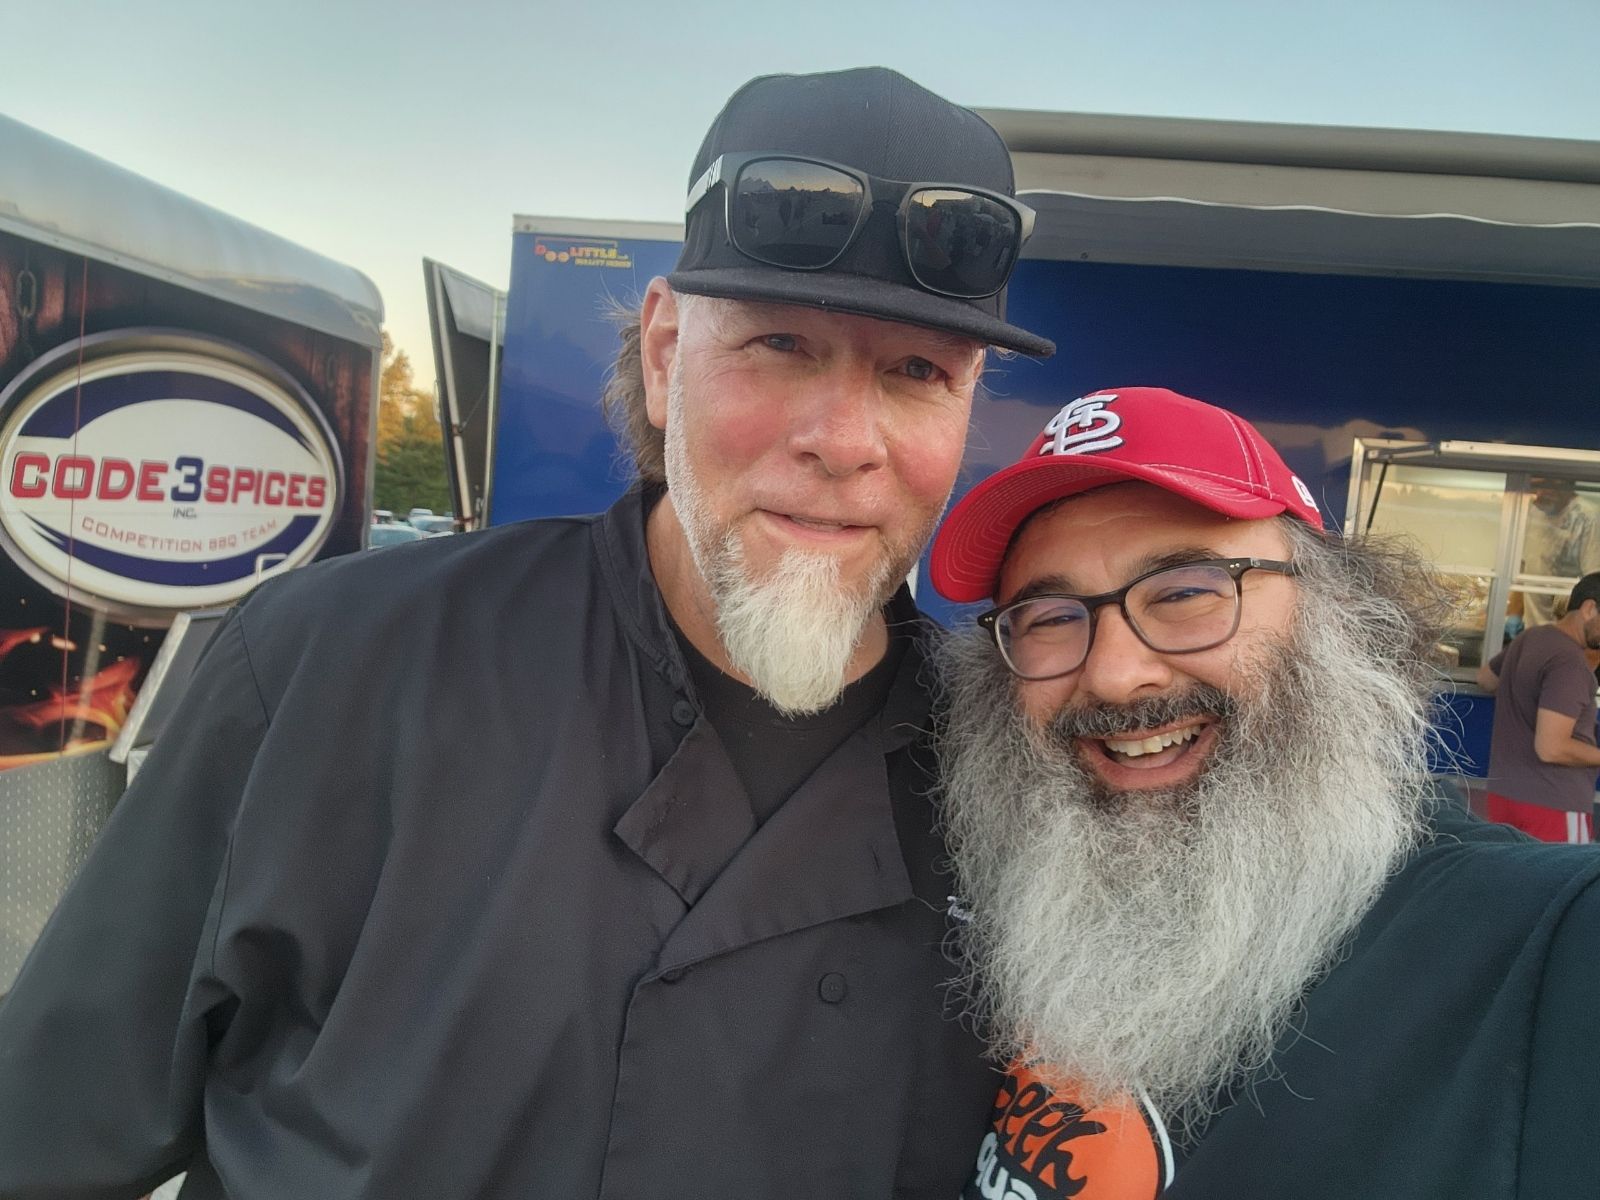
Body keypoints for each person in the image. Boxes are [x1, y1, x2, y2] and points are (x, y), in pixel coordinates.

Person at [0, 67, 1054, 1199]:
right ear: (663, 356)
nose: (844, 440)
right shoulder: (340, 662)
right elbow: (51, 1139)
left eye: (916, 374)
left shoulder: (1015, 769)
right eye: (780, 346)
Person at [927, 387, 1600, 1199]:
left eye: (1184, 592)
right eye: (1048, 617)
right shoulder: (1004, 899)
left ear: (1333, 613)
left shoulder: (1539, 945)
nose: (1111, 672)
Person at [1476, 573, 1600, 843]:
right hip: (1552, 804)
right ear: (1589, 609)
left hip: (1503, 796)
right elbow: (1551, 747)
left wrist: (1525, 693)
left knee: (1510, 881)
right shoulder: (1570, 663)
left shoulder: (1531, 638)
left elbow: (1485, 678)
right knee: (1561, 884)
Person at [1518, 479, 1597, 627]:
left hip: (1566, 630)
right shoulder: (1532, 512)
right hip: (1532, 627)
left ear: (1563, 483)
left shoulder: (1587, 517)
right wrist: (1514, 613)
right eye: (1536, 486)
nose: (1539, 494)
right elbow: (1523, 568)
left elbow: (1593, 584)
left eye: (1546, 485)